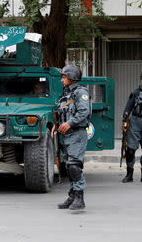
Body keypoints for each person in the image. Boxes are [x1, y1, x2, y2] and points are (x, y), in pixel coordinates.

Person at [52, 65, 91, 210]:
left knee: (74, 166)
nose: (62, 80)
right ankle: (72, 196)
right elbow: (63, 112)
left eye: (64, 77)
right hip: (67, 135)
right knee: (68, 167)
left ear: (72, 78)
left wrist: (69, 123)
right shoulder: (67, 94)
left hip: (77, 133)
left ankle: (80, 198)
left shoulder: (81, 92)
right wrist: (57, 125)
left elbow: (83, 112)